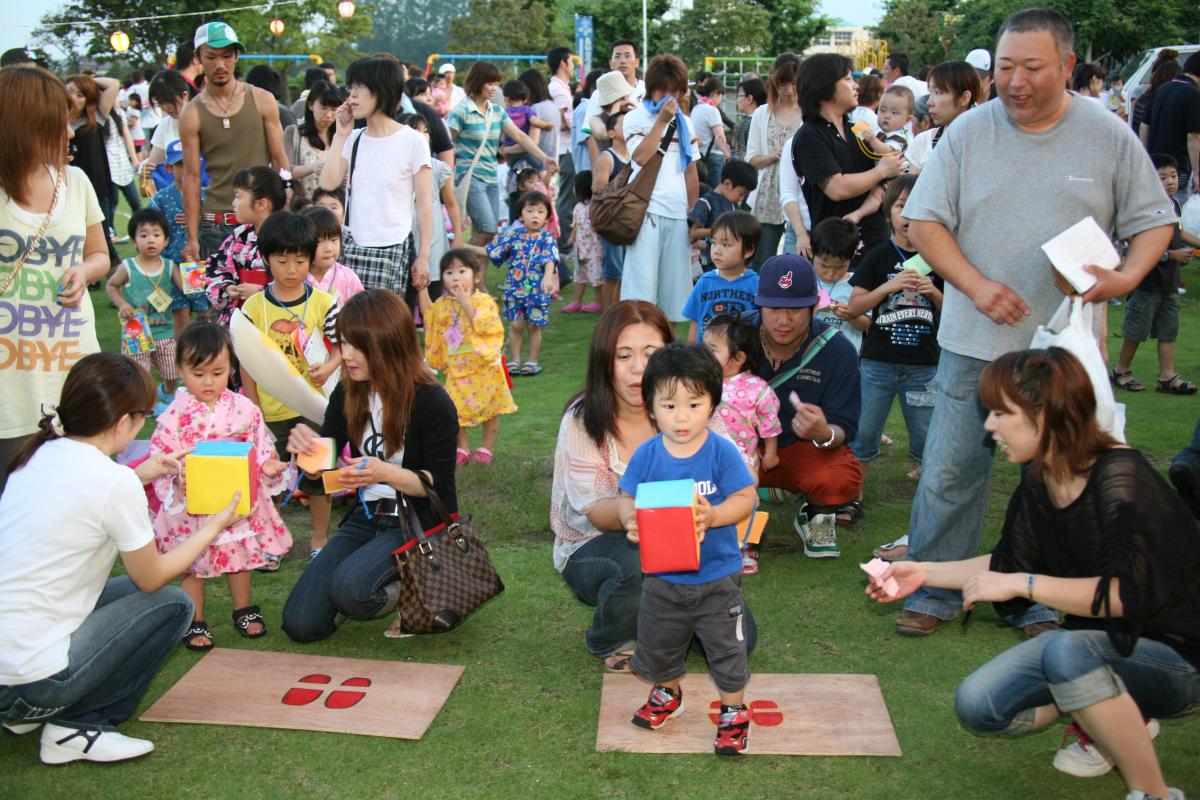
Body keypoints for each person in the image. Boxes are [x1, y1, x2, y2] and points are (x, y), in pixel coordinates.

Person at [891, 8, 1177, 638]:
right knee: (950, 469)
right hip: (972, 340)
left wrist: (1125, 279)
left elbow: (1156, 220)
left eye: (1033, 68)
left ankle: (1043, 598)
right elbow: (926, 222)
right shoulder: (968, 133)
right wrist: (975, 285)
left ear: (1068, 67)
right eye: (1006, 68)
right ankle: (932, 589)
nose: (1016, 82)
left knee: (1060, 480)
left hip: (1062, 348)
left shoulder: (1106, 134)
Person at [866, 347, 1200, 800]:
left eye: (1002, 413)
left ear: (1047, 415)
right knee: (979, 707)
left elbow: (1125, 596)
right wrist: (922, 572)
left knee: (1067, 652)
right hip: (1092, 646)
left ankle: (1155, 792)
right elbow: (1008, 563)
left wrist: (1022, 585)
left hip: (1180, 660)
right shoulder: (1039, 476)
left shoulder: (1122, 479)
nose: (990, 426)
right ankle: (1097, 702)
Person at [0, 353, 240, 764]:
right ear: (123, 421)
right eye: (143, 417)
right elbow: (153, 578)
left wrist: (141, 473)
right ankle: (78, 727)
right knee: (173, 603)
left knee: (126, 591)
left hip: (11, 670)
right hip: (30, 683)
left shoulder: (35, 454)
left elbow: (86, 494)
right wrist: (213, 526)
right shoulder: (110, 482)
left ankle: (29, 711)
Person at [281, 289, 459, 643]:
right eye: (343, 343)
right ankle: (364, 580)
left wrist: (383, 472)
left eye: (356, 346)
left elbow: (437, 484)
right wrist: (307, 457)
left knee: (353, 592)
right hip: (367, 516)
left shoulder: (431, 400)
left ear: (389, 344)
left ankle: (420, 591)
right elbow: (323, 475)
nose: (345, 355)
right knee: (302, 625)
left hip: (418, 521)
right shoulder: (348, 392)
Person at [617, 342, 756, 755]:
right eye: (670, 405)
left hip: (717, 578)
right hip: (662, 578)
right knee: (658, 645)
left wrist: (714, 516)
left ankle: (733, 713)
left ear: (712, 403)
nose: (682, 417)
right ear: (651, 406)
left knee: (728, 650)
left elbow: (747, 498)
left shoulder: (720, 452)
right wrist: (630, 517)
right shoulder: (647, 455)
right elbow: (627, 496)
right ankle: (667, 693)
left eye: (694, 405)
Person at [0, 66, 108, 495]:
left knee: (73, 499)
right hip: (11, 375)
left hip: (69, 364)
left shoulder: (76, 182)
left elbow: (99, 254)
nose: (69, 130)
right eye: (59, 120)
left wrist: (84, 271)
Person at [149, 324, 290, 649]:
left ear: (231, 368)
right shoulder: (174, 415)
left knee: (237, 557)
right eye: (198, 374)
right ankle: (194, 619)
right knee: (191, 564)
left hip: (233, 501)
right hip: (192, 506)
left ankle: (243, 609)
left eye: (218, 372)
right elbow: (160, 456)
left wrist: (268, 465)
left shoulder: (244, 409)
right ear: (181, 370)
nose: (209, 382)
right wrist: (175, 474)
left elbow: (260, 448)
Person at [239, 212, 341, 560]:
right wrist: (252, 406)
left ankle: (320, 539)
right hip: (269, 412)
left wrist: (328, 368)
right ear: (266, 258)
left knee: (319, 477)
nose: (292, 269)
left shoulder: (324, 303)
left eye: (300, 260)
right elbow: (247, 359)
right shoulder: (253, 307)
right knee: (269, 478)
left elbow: (342, 346)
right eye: (283, 261)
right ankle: (272, 542)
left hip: (314, 409)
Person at [845, 175, 942, 536]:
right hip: (878, 364)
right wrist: (890, 286)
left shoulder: (939, 259)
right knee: (865, 433)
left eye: (916, 207)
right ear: (889, 213)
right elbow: (855, 306)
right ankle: (851, 497)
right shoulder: (878, 256)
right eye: (901, 206)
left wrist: (932, 292)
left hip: (924, 367)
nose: (907, 215)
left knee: (927, 438)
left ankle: (932, 507)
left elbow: (956, 316)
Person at [755, 255, 863, 559]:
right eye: (774, 308)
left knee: (840, 479)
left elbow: (845, 427)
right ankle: (734, 520)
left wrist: (823, 432)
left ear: (815, 305)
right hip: (739, 446)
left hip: (800, 449)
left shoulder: (837, 350)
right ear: (759, 304)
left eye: (796, 309)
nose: (784, 320)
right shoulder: (733, 338)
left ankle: (815, 513)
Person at [319, 58, 433, 296]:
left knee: (381, 327)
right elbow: (328, 183)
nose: (352, 96)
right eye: (351, 88)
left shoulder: (412, 141)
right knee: (347, 326)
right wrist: (341, 134)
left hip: (391, 248)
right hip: (351, 247)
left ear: (382, 91)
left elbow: (424, 205)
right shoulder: (355, 138)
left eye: (360, 88)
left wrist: (423, 256)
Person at [180, 23, 289, 263]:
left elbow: (280, 160)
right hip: (216, 223)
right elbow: (191, 177)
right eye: (211, 57)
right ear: (198, 58)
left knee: (266, 295)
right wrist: (192, 236)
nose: (220, 64)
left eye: (227, 56)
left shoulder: (262, 99)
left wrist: (285, 211)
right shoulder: (192, 113)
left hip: (262, 218)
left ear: (236, 56)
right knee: (220, 296)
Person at [1112, 153, 1200, 395]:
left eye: (1173, 176)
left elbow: (1179, 232)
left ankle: (1167, 375)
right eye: (1162, 177)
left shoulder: (1174, 205)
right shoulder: (1144, 206)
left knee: (1168, 330)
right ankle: (1121, 370)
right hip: (1147, 281)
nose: (1170, 181)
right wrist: (1171, 256)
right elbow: (1135, 238)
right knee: (1136, 330)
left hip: (1169, 283)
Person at [793, 54, 901, 251]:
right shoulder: (810, 135)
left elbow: (890, 160)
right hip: (837, 252)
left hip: (875, 240)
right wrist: (882, 171)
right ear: (825, 86)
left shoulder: (857, 128)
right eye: (848, 79)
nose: (856, 86)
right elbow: (837, 188)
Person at [620, 54, 700, 319]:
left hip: (677, 214)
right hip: (647, 212)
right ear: (651, 87)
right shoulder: (634, 118)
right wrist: (662, 122)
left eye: (675, 90)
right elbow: (640, 157)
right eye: (663, 89)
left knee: (675, 296)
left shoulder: (686, 123)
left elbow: (690, 170)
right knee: (641, 292)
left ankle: (666, 351)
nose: (669, 96)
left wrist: (693, 212)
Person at [701, 313, 782, 575]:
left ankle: (747, 547)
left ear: (738, 358)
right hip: (706, 456)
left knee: (748, 501)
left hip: (743, 460)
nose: (704, 354)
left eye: (712, 350)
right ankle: (711, 544)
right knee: (710, 497)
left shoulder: (757, 389)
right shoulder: (700, 382)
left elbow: (769, 422)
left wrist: (771, 453)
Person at [419, 248, 515, 467]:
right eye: (449, 272)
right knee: (452, 407)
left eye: (462, 271)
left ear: (477, 276)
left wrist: (466, 304)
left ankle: (486, 448)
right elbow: (430, 319)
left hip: (484, 365)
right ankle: (461, 446)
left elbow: (488, 325)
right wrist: (422, 290)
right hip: (458, 366)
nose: (455, 277)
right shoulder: (443, 305)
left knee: (492, 407)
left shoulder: (484, 301)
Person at [105, 208, 182, 409]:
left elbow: (185, 287)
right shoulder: (128, 266)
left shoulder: (169, 266)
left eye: (156, 235)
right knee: (139, 371)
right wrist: (122, 303)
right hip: (136, 331)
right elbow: (111, 285)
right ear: (133, 241)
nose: (150, 240)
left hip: (164, 329)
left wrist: (192, 271)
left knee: (172, 370)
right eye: (144, 235)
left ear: (165, 241)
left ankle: (169, 392)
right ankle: (147, 402)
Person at [486, 191, 560, 376]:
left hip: (537, 290)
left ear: (546, 217)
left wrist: (547, 277)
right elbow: (494, 252)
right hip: (514, 288)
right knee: (516, 325)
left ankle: (532, 361)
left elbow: (550, 259)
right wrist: (466, 248)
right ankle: (515, 360)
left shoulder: (546, 238)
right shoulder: (513, 235)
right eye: (530, 210)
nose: (535, 215)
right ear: (521, 214)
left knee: (534, 326)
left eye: (541, 212)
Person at [204, 166, 285, 327]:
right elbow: (216, 268)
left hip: (276, 318)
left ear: (261, 203)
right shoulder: (239, 236)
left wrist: (263, 292)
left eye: (238, 196)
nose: (234, 203)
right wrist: (227, 287)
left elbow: (300, 277)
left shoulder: (287, 236)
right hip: (240, 317)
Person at [745, 54, 802, 266]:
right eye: (782, 83)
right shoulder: (762, 113)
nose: (788, 90)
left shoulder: (809, 114)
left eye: (793, 83)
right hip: (767, 195)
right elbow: (751, 158)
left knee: (794, 263)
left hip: (799, 194)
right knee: (763, 261)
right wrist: (773, 156)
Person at [66, 73, 121, 264]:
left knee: (102, 230)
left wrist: (87, 81)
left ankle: (111, 266)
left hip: (98, 184)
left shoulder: (96, 116)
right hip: (71, 186)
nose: (73, 97)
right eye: (70, 91)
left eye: (81, 95)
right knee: (78, 231)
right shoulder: (60, 123)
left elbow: (113, 83)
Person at [683, 210, 761, 344]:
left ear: (748, 250)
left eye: (726, 245)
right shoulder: (705, 282)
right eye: (714, 242)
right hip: (706, 358)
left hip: (741, 357)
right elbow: (695, 324)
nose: (717, 250)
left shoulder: (757, 285)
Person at [1143, 51, 1200, 201]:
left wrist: (1146, 159)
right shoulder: (1194, 95)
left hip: (1155, 167)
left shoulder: (1162, 89)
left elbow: (1144, 125)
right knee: (1177, 212)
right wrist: (1197, 173)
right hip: (1177, 170)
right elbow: (1193, 136)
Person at [905, 61, 981, 173]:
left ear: (965, 98)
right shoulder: (923, 142)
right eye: (930, 92)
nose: (929, 102)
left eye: (938, 92)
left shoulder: (983, 144)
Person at [809, 218, 870, 354]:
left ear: (853, 256)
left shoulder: (858, 285)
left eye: (840, 267)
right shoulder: (804, 280)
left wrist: (852, 316)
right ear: (813, 252)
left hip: (845, 356)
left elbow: (867, 324)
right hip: (808, 354)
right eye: (824, 265)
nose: (830, 274)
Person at [688, 159, 757, 274]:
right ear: (728, 184)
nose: (741, 198)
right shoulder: (707, 202)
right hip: (712, 263)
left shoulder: (733, 206)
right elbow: (693, 233)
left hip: (732, 261)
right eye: (741, 193)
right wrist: (720, 230)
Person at [593, 106, 631, 308]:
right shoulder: (607, 158)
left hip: (629, 222)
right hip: (613, 222)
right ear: (611, 133)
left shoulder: (635, 156)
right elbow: (599, 190)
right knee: (614, 271)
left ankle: (620, 310)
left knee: (626, 270)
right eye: (624, 124)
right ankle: (609, 312)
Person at [584, 41, 647, 158]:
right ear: (611, 63)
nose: (623, 61)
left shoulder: (647, 90)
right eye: (617, 56)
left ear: (637, 62)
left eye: (628, 56)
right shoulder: (598, 94)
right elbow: (592, 136)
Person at [285, 80, 344, 197]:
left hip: (334, 207)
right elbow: (286, 171)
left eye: (333, 109)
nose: (328, 115)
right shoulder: (294, 134)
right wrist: (311, 168)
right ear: (311, 105)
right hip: (303, 205)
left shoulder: (342, 136)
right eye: (323, 108)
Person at [298, 204, 364, 307]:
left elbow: (360, 312)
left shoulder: (348, 278)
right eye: (319, 241)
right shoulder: (294, 277)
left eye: (334, 240)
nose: (329, 248)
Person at [548, 47, 578, 252]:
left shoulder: (562, 87)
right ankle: (564, 245)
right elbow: (561, 121)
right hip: (565, 148)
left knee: (568, 195)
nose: (574, 66)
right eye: (572, 62)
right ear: (562, 63)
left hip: (567, 147)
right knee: (568, 196)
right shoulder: (557, 89)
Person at [564, 171, 603, 313]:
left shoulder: (595, 207)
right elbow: (576, 225)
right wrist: (572, 237)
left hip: (594, 250)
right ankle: (577, 302)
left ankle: (599, 302)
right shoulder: (578, 207)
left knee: (596, 278)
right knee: (579, 277)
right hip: (580, 249)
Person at [692, 76, 731, 187]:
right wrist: (728, 155)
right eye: (721, 95)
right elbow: (720, 138)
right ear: (715, 93)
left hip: (699, 157)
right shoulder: (712, 110)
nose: (721, 99)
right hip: (713, 159)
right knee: (715, 195)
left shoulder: (696, 108)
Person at [873, 85, 916, 154]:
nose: (887, 116)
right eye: (882, 110)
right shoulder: (884, 132)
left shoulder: (899, 137)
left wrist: (872, 140)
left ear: (907, 119)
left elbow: (887, 150)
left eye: (894, 113)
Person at [731, 77, 765, 162]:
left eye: (739, 96)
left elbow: (739, 155)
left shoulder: (744, 123)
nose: (737, 100)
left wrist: (726, 151)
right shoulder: (766, 121)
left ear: (749, 99)